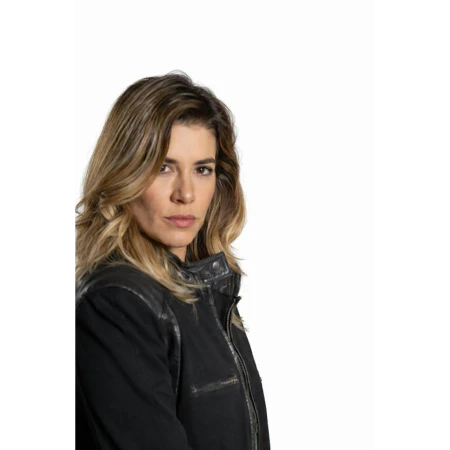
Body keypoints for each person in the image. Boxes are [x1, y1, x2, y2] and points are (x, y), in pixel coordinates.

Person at [73, 71, 271, 450]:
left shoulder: (207, 294)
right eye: (163, 167)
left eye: (202, 169)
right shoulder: (118, 303)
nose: (186, 193)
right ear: (125, 174)